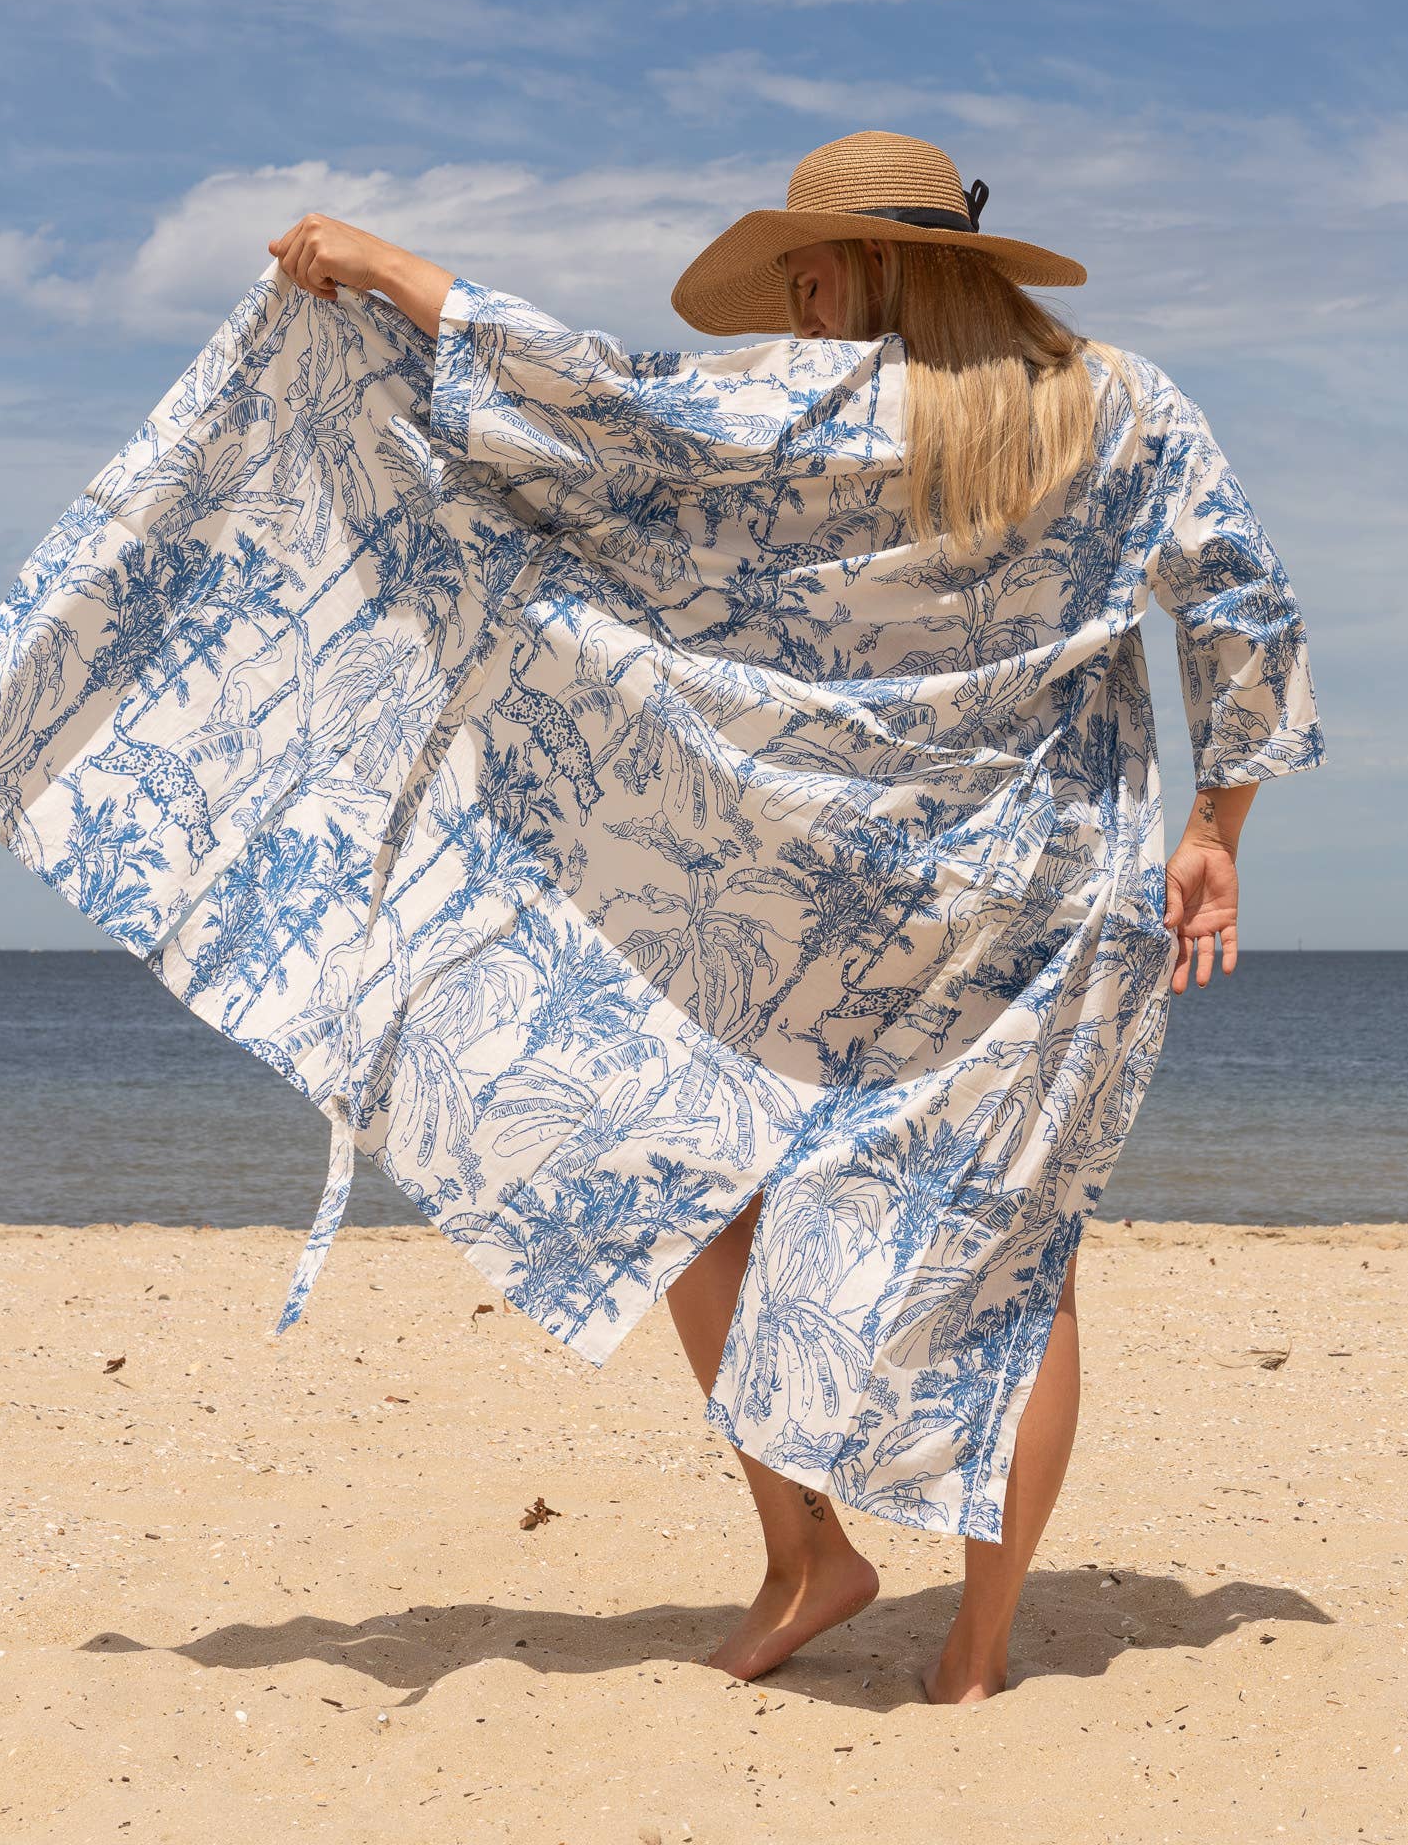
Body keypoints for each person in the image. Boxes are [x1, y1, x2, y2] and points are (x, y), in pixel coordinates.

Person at [256, 130, 1326, 1704]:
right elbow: (1245, 606)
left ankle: (814, 1551)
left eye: (814, 275)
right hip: (1038, 897)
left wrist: (385, 266)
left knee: (705, 1175)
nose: (803, 308)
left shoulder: (817, 408)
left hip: (830, 890)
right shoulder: (1128, 406)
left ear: (891, 266)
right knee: (1014, 1258)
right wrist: (1219, 831)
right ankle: (958, 1641)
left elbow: (598, 402)